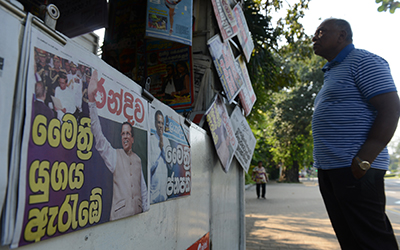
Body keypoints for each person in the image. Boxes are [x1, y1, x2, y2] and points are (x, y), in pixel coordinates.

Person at [311, 18, 400, 249]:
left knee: (373, 241)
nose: (314, 37)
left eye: (321, 32)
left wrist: (364, 160)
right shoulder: (333, 70)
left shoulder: (363, 61)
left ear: (342, 36)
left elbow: (391, 107)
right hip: (333, 169)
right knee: (351, 239)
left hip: (355, 168)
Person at [88, 70, 149, 220]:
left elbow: (144, 189)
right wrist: (91, 100)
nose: (125, 136)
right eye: (123, 134)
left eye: (128, 133)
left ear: (133, 138)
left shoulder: (138, 160)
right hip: (119, 218)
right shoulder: (114, 155)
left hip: (137, 217)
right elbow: (99, 136)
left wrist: (147, 213)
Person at [150, 110, 172, 203]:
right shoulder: (151, 140)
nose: (160, 126)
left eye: (162, 123)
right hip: (153, 193)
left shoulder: (167, 141)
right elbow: (149, 167)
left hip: (164, 193)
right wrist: (159, 149)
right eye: (158, 122)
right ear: (155, 123)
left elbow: (170, 165)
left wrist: (163, 147)